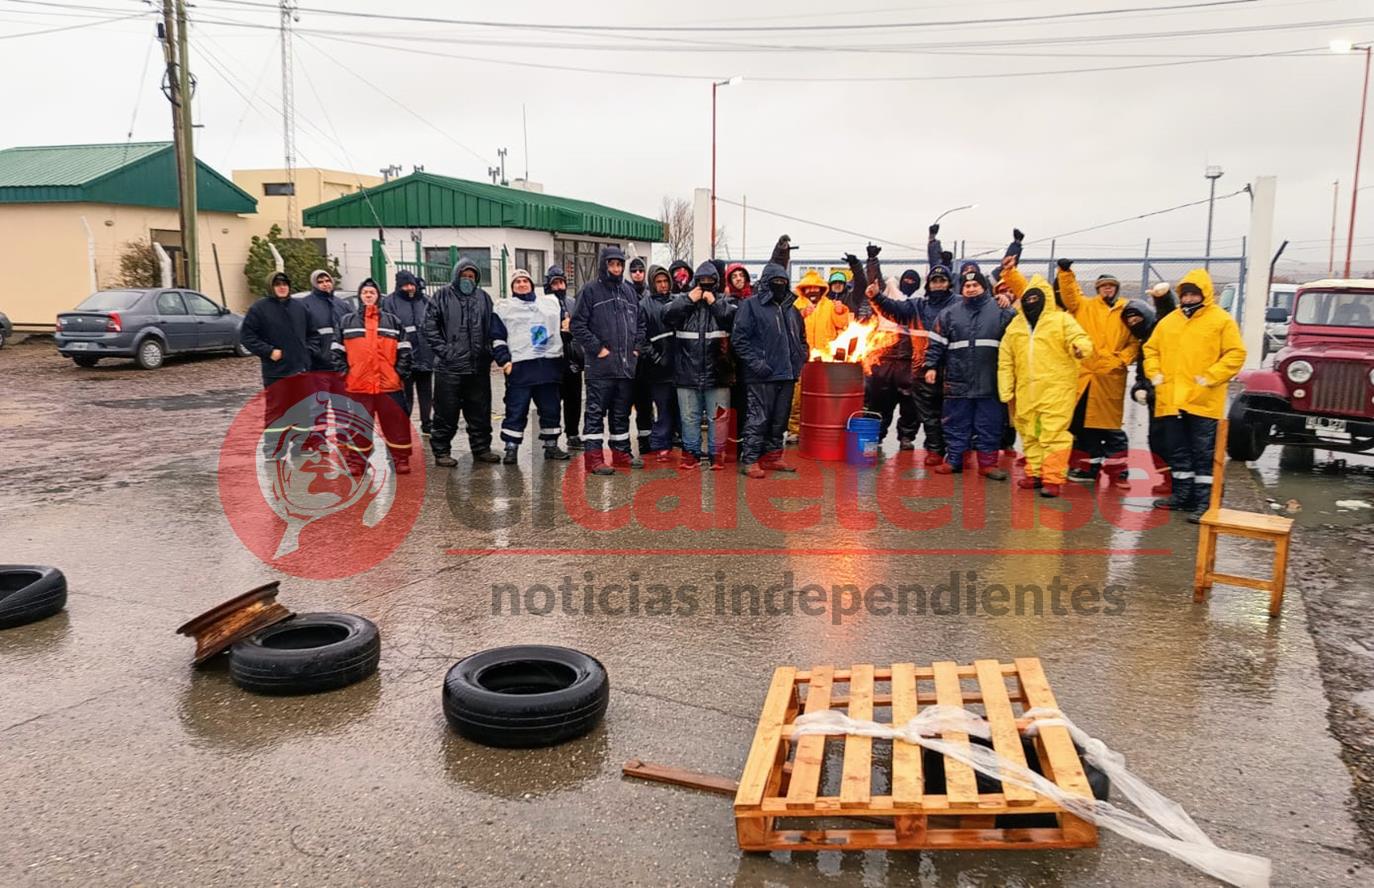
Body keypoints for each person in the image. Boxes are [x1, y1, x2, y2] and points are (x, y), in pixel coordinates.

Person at [1144, 269, 1246, 522]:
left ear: (1205, 294)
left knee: (1203, 453)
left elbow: (1235, 353)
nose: (1189, 298)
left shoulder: (1221, 321)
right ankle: (1183, 495)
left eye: (1194, 294)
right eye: (1185, 294)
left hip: (1203, 400)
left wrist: (1211, 377)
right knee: (1178, 452)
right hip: (1172, 400)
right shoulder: (1169, 322)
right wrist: (1155, 375)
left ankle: (1206, 502)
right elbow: (1150, 349)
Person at [997, 273, 1092, 498]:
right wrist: (1006, 387)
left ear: (1045, 299)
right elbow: (1005, 358)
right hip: (1026, 391)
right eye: (1027, 299)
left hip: (1056, 389)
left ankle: (1052, 478)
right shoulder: (1016, 325)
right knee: (1031, 433)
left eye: (1035, 299)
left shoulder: (1061, 320)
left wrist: (1080, 348)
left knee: (1053, 434)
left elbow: (1080, 339)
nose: (1031, 303)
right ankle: (1036, 472)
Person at [922, 264, 1015, 478]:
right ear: (961, 289)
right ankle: (954, 460)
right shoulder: (949, 314)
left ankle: (988, 465)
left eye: (975, 285)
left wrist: (1008, 302)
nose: (971, 288)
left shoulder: (1002, 311)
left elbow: (1018, 335)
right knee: (955, 422)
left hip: (989, 380)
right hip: (957, 380)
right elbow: (936, 342)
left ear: (983, 287)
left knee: (989, 424)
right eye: (967, 285)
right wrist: (931, 366)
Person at [1054, 259, 1139, 488]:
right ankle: (1088, 468)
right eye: (1103, 286)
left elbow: (1134, 342)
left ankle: (1119, 472)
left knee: (1111, 428)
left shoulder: (1127, 309)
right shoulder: (1085, 306)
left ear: (1116, 288)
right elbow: (1069, 295)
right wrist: (1065, 272)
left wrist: (1121, 360)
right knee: (1083, 425)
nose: (1107, 289)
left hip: (1110, 378)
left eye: (1111, 286)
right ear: (1098, 289)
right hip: (1085, 376)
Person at [571, 245, 646, 475]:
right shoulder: (590, 291)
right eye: (612, 264)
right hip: (600, 368)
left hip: (625, 367)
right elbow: (577, 325)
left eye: (619, 264)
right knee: (595, 413)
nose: (616, 268)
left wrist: (636, 349)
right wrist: (598, 349)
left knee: (621, 413)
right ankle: (594, 458)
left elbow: (641, 324)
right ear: (604, 265)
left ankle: (621, 452)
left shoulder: (629, 292)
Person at [423, 258, 503, 467]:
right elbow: (429, 327)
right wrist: (445, 352)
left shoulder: (484, 298)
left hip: (478, 367)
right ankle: (441, 451)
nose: (467, 279)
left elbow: (493, 327)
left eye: (471, 276)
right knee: (445, 412)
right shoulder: (441, 296)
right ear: (456, 276)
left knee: (480, 411)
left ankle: (481, 448)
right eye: (464, 275)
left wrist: (489, 352)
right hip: (449, 369)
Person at [333, 278, 414, 475]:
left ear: (378, 297)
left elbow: (405, 350)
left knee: (396, 425)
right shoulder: (347, 322)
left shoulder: (393, 321)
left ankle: (400, 459)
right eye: (365, 292)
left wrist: (399, 374)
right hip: (358, 386)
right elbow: (336, 351)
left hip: (389, 386)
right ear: (360, 296)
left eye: (372, 292)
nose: (368, 295)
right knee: (358, 427)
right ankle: (357, 462)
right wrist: (346, 373)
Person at [733, 262, 806, 479]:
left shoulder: (792, 310)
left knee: (779, 418)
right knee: (758, 417)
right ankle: (750, 459)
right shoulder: (751, 305)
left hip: (788, 373)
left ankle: (773, 456)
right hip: (761, 375)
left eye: (784, 281)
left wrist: (801, 357)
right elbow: (739, 339)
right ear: (766, 282)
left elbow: (801, 338)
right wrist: (757, 364)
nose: (780, 285)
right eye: (776, 281)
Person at [665, 261, 738, 469]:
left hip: (719, 373)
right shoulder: (683, 301)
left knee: (719, 418)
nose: (705, 284)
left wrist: (714, 303)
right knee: (689, 418)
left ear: (716, 282)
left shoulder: (725, 302)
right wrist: (689, 299)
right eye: (702, 281)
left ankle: (717, 454)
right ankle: (691, 454)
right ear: (695, 281)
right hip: (687, 372)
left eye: (710, 281)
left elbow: (735, 319)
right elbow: (666, 316)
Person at [492, 269, 570, 464]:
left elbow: (563, 330)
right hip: (520, 369)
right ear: (512, 287)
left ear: (531, 283)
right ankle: (511, 448)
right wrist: (504, 361)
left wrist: (568, 330)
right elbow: (497, 337)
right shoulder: (504, 308)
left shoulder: (549, 304)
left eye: (525, 280)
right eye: (517, 281)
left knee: (551, 408)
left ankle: (551, 445)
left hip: (547, 368)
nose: (521, 284)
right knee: (516, 409)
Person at [239, 271, 319, 448]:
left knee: (303, 411)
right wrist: (268, 351)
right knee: (277, 412)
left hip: (300, 369)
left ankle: (301, 447)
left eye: (284, 284)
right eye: (277, 284)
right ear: (271, 287)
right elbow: (247, 336)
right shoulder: (259, 309)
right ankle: (274, 449)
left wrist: (308, 352)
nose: (282, 287)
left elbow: (313, 334)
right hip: (276, 372)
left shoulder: (300, 307)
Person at [864, 259, 923, 450]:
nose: (909, 283)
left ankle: (906, 437)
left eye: (913, 281)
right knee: (879, 402)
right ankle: (875, 436)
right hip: (884, 359)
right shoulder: (887, 297)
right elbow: (873, 286)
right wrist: (872, 262)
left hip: (908, 361)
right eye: (906, 279)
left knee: (910, 404)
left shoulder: (919, 304)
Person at [786, 267, 850, 438]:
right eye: (809, 287)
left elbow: (843, 325)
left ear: (822, 289)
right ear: (803, 289)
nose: (813, 291)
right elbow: (786, 327)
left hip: (825, 360)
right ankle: (794, 430)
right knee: (797, 397)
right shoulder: (794, 305)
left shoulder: (830, 305)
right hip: (800, 359)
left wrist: (841, 311)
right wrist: (800, 315)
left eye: (816, 288)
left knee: (823, 397)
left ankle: (820, 428)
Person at [1121, 299, 1171, 495]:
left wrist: (1162, 296)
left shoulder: (1161, 330)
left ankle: (1180, 482)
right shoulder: (1143, 343)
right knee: (1157, 440)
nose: (1134, 323)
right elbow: (1142, 374)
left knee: (1172, 441)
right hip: (1155, 400)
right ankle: (1167, 479)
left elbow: (1168, 311)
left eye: (1137, 318)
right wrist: (1139, 389)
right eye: (1130, 321)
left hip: (1170, 398)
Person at [634, 264, 678, 462]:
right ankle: (661, 444)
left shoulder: (677, 301)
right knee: (663, 407)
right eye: (658, 282)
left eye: (665, 281)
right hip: (657, 368)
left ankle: (681, 441)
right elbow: (641, 337)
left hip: (679, 365)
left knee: (680, 407)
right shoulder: (644, 305)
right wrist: (656, 358)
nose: (662, 285)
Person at [382, 269, 433, 436]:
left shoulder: (425, 301)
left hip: (425, 354)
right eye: (405, 285)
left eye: (411, 284)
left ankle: (427, 423)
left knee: (426, 392)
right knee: (406, 394)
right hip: (404, 356)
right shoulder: (390, 302)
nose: (410, 288)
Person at [545, 264, 584, 450]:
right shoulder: (542, 305)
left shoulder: (572, 302)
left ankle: (573, 434)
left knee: (574, 399)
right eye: (555, 283)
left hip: (572, 358)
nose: (559, 287)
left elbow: (582, 326)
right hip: (552, 360)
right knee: (551, 402)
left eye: (561, 283)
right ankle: (551, 438)